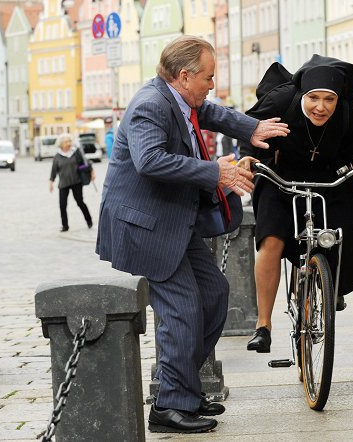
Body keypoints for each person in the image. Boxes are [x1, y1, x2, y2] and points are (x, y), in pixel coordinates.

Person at [95, 35, 289, 434]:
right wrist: (214, 171)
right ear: (184, 77)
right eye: (208, 76)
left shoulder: (180, 98)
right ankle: (169, 405)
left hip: (171, 223)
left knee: (215, 294)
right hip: (145, 228)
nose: (212, 84)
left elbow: (213, 112)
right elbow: (149, 160)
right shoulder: (150, 106)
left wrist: (253, 128)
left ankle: (180, 385)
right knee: (182, 310)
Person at [239, 54, 353, 354]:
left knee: (344, 227)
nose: (321, 107)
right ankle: (263, 326)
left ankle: (333, 287)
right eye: (314, 98)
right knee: (272, 240)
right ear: (302, 94)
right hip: (280, 175)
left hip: (328, 178)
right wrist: (248, 156)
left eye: (329, 99)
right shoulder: (281, 101)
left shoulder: (347, 112)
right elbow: (251, 130)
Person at [49, 134, 95, 231]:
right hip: (63, 183)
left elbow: (87, 163)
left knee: (80, 202)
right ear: (61, 144)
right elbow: (53, 170)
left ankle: (89, 220)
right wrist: (51, 182)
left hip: (76, 182)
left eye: (69, 141)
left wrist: (92, 173)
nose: (68, 144)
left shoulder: (75, 153)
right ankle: (65, 226)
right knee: (62, 205)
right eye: (66, 142)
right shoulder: (57, 156)